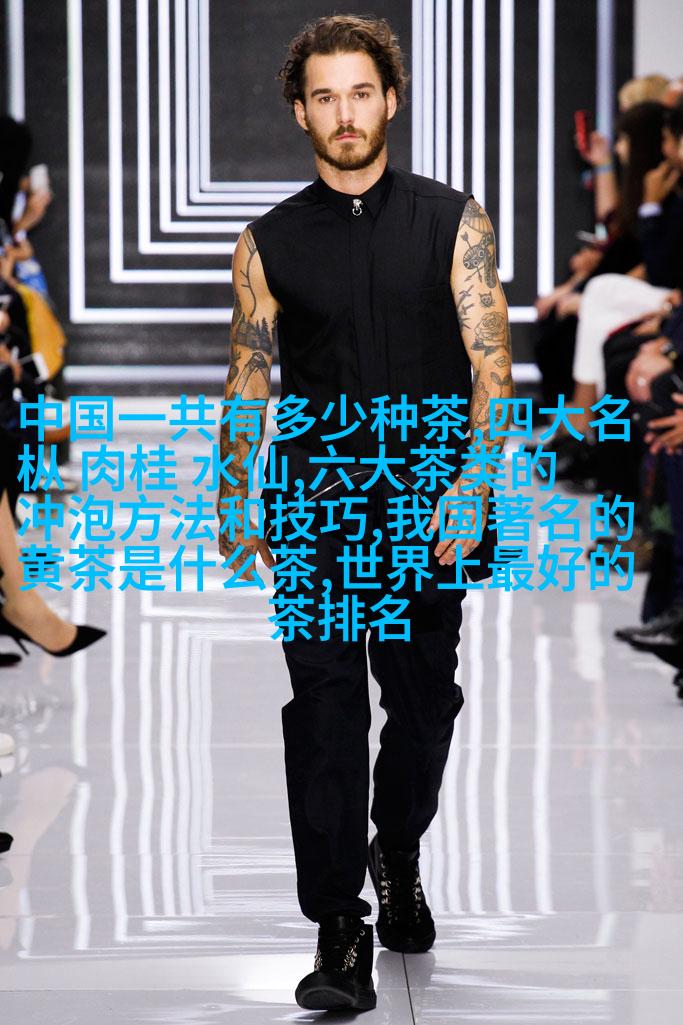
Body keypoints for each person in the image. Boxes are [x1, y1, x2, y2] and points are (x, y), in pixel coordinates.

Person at [215, 14, 513, 1012]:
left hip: (432, 501)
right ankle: (337, 923)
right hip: (317, 505)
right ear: (300, 112)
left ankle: (397, 847)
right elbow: (248, 374)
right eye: (324, 96)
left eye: (359, 92)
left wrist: (473, 481)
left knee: (424, 701)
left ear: (390, 99)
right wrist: (234, 491)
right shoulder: (266, 242)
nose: (344, 113)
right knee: (326, 710)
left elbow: (490, 363)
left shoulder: (452, 221)